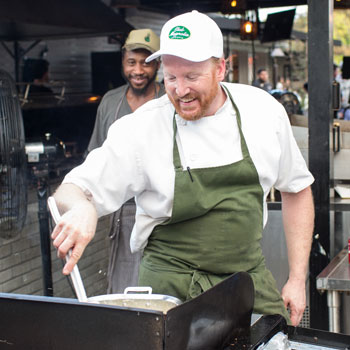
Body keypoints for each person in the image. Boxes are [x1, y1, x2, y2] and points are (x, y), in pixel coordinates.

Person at [51, 10, 314, 327]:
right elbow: (71, 189)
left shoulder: (263, 112)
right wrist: (82, 207)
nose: (180, 90)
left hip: (245, 280)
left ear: (221, 68)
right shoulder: (143, 127)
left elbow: (296, 189)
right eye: (171, 78)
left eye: (192, 77)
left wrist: (297, 279)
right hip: (170, 291)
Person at [87, 28, 165, 293]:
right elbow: (95, 156)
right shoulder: (110, 103)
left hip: (164, 210)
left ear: (158, 63)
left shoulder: (170, 100)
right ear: (122, 62)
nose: (138, 70)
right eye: (131, 62)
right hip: (122, 212)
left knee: (161, 282)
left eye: (146, 62)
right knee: (124, 285)